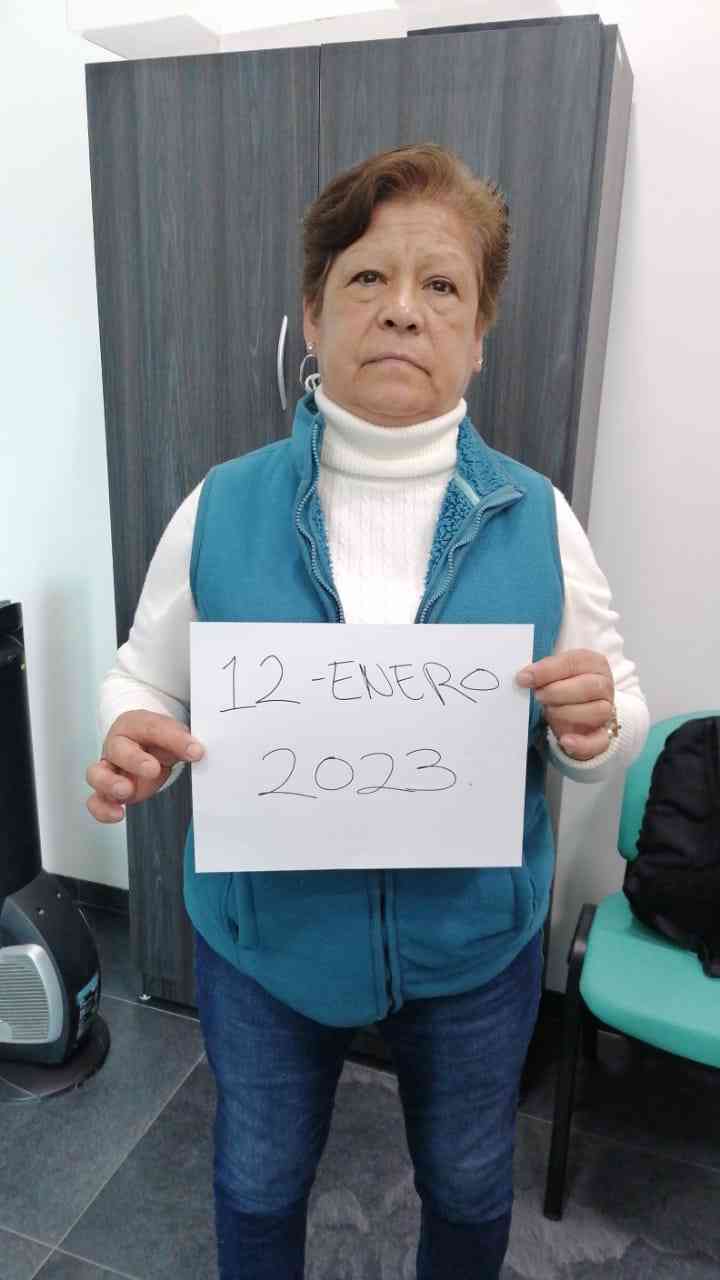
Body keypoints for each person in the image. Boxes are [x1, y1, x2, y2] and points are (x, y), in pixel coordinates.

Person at [87, 143, 649, 1280]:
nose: (402, 309)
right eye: (366, 278)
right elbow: (145, 674)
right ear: (313, 312)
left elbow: (615, 699)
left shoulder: (540, 517)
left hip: (472, 947)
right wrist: (131, 729)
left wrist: (597, 731)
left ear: (480, 333)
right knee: (256, 1183)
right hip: (265, 943)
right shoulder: (222, 504)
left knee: (470, 1185)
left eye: (441, 285)